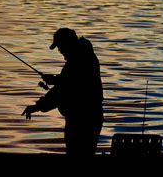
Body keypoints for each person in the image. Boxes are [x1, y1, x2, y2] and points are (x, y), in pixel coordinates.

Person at [22, 28, 103, 156]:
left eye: (60, 46)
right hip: (88, 116)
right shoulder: (82, 57)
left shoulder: (78, 60)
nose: (59, 50)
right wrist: (55, 80)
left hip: (82, 118)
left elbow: (65, 89)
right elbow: (69, 84)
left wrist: (38, 106)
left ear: (68, 43)